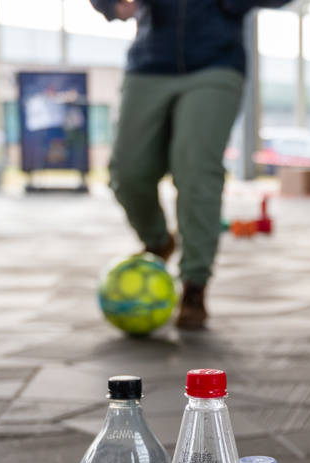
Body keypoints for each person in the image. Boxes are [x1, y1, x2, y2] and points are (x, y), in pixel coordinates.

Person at [91, 0, 289, 330]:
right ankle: (157, 241)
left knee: (195, 170)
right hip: (150, 61)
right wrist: (112, 5)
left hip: (215, 61)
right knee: (127, 173)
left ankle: (195, 285)